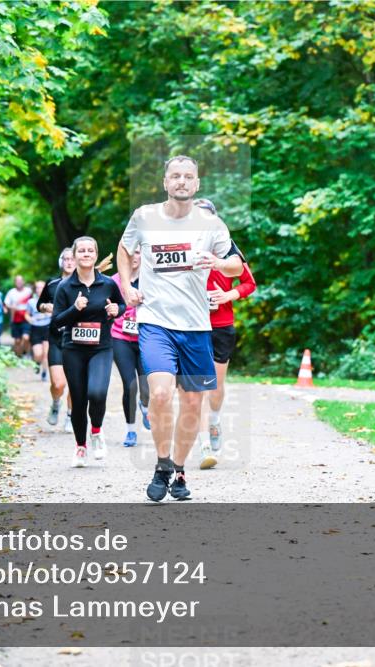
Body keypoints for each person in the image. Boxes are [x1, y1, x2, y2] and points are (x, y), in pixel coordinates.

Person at [117, 155, 243, 501]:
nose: (182, 182)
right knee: (159, 394)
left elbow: (236, 265)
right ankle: (162, 465)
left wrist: (217, 262)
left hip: (196, 326)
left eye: (189, 177)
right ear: (165, 182)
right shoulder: (144, 216)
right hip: (155, 321)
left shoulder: (211, 224)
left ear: (197, 184)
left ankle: (180, 469)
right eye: (176, 176)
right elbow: (124, 250)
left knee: (192, 402)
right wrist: (127, 287)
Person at [193, 199, 257, 470]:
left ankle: (215, 420)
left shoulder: (229, 250)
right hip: (193, 325)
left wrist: (226, 294)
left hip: (221, 325)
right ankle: (204, 443)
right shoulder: (182, 247)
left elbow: (248, 283)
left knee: (216, 389)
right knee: (198, 387)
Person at [52, 236, 125, 467]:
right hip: (73, 350)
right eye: (81, 250)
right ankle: (81, 447)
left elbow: (121, 305)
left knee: (97, 393)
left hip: (101, 348)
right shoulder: (65, 287)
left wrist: (117, 309)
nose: (85, 254)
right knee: (80, 399)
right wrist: (74, 309)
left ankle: (96, 431)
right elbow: (56, 322)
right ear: (74, 256)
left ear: (95, 255)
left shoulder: (108, 284)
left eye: (90, 250)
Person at [111, 248, 151, 447]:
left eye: (138, 252)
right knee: (130, 385)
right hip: (120, 337)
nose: (134, 257)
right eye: (130, 253)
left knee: (146, 386)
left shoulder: (152, 278)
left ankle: (145, 406)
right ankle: (131, 430)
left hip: (146, 338)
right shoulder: (114, 281)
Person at [38, 248, 76, 431]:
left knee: (75, 384)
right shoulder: (52, 284)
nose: (69, 262)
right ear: (61, 262)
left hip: (77, 340)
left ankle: (70, 416)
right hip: (56, 338)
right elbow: (40, 304)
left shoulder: (85, 284)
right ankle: (55, 403)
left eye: (72, 259)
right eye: (66, 259)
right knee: (58, 383)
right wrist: (46, 306)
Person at [28, 280, 52, 381]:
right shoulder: (31, 302)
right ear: (35, 289)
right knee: (38, 354)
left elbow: (55, 313)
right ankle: (37, 362)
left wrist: (48, 314)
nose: (39, 289)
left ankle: (44, 373)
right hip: (35, 329)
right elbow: (26, 314)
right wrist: (30, 319)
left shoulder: (50, 300)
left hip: (47, 328)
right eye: (37, 287)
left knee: (46, 354)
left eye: (41, 287)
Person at [4, 275, 33, 358]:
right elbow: (6, 304)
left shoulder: (29, 291)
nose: (19, 282)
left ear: (23, 281)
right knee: (17, 340)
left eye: (20, 281)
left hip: (26, 317)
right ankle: (18, 356)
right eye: (17, 281)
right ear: (15, 282)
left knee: (26, 337)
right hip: (15, 319)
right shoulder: (11, 292)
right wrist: (11, 308)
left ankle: (25, 353)